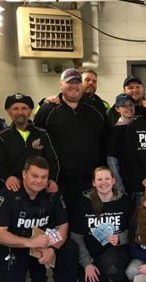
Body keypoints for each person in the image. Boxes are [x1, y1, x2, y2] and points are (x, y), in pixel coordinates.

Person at [0, 156, 77, 282]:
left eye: (43, 177)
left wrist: (53, 248)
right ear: (24, 174)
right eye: (34, 176)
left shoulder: (52, 193)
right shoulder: (6, 195)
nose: (39, 181)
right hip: (16, 247)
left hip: (44, 245)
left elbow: (62, 226)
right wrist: (30, 242)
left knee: (70, 248)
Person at [33, 68, 108, 213]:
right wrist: (45, 177)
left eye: (77, 82)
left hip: (90, 182)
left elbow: (105, 140)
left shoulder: (95, 108)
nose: (74, 86)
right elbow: (36, 146)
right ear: (61, 85)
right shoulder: (48, 109)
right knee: (60, 223)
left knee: (88, 222)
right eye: (69, 83)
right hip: (58, 183)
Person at [70, 167, 132, 282]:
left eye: (107, 179)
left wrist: (120, 238)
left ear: (113, 181)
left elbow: (134, 230)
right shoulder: (83, 203)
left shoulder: (124, 202)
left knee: (111, 265)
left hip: (116, 253)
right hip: (91, 254)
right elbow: (76, 236)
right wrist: (87, 263)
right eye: (99, 179)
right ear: (94, 182)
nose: (104, 183)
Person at [0, 93, 59, 195]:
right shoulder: (1, 137)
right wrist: (7, 178)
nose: (20, 112)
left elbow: (52, 160)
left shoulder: (42, 134)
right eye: (15, 109)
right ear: (8, 111)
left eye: (24, 108)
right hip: (13, 189)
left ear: (30, 111)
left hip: (40, 189)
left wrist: (52, 180)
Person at [106, 93, 136, 193]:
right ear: (117, 109)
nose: (128, 108)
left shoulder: (139, 127)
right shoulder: (115, 132)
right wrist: (119, 186)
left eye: (130, 104)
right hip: (125, 183)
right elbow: (112, 161)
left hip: (140, 182)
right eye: (124, 106)